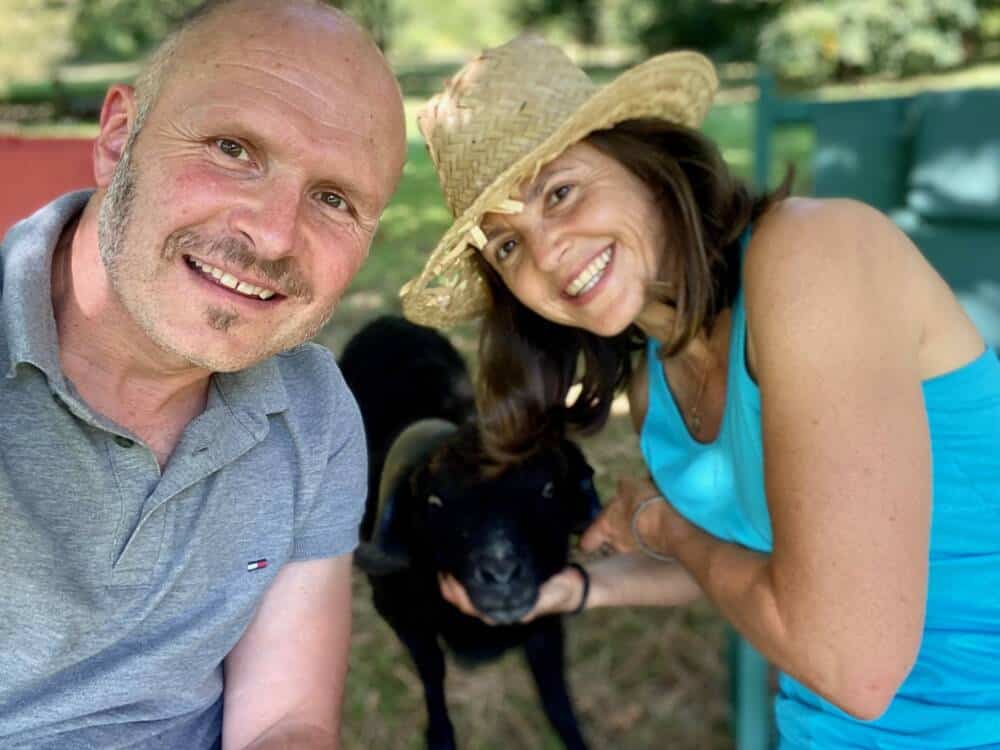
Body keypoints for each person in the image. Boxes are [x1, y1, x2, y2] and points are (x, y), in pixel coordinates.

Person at [400, 35, 1000, 747]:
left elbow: (854, 665)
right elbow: (760, 556)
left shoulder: (815, 258)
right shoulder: (657, 384)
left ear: (645, 163)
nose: (546, 252)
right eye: (506, 247)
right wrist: (580, 588)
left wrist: (666, 527)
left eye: (560, 192)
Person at [0, 1, 406, 748]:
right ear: (122, 137)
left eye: (333, 198)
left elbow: (286, 718)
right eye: (233, 148)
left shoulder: (314, 415)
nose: (274, 232)